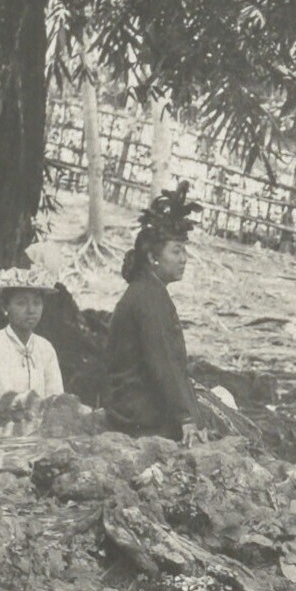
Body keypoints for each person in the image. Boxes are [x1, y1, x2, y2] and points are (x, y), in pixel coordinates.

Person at [104, 188, 207, 441]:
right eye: (176, 251)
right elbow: (162, 362)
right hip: (137, 411)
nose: (184, 259)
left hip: (140, 401)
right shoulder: (147, 298)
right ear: (153, 257)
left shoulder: (150, 291)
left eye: (184, 251)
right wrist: (186, 418)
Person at [0, 269, 65, 406]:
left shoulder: (46, 349)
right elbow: (6, 400)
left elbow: (56, 398)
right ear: (5, 307)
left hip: (42, 419)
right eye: (21, 303)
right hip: (1, 418)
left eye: (36, 303)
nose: (31, 310)